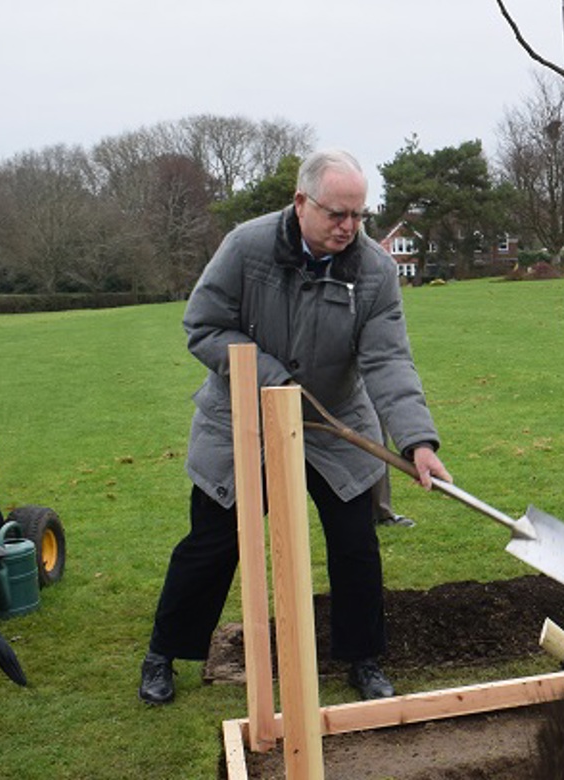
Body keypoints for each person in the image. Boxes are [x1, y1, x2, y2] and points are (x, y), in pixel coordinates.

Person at [140, 149, 452, 705]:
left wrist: (417, 440)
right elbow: (203, 325)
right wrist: (273, 380)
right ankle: (165, 652)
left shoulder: (373, 268)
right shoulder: (246, 247)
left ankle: (363, 657)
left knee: (356, 545)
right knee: (212, 545)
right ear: (301, 202)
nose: (349, 228)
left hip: (335, 426)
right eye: (337, 214)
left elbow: (388, 360)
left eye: (358, 216)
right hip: (243, 419)